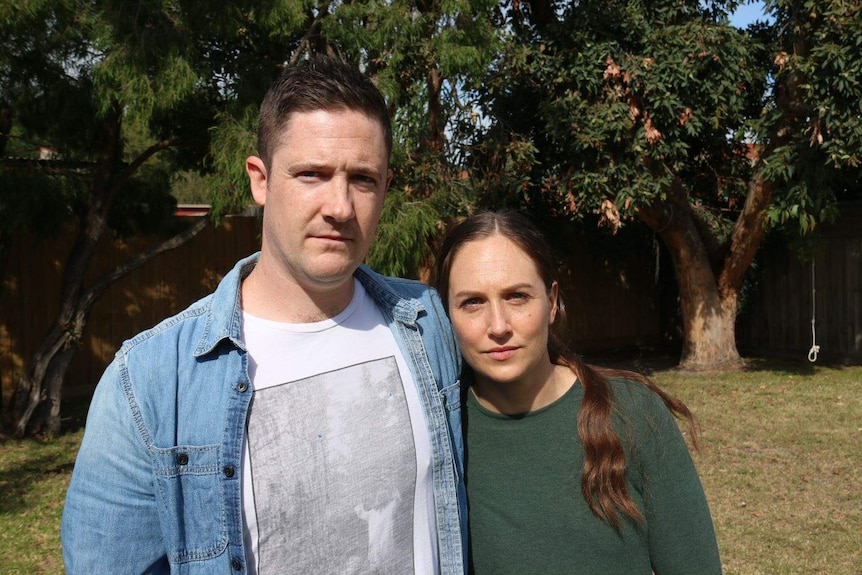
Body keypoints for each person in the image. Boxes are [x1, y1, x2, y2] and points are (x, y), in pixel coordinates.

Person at [62, 54, 467, 575]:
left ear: (385, 188)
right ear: (260, 179)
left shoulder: (427, 322)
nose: (339, 206)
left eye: (362, 179)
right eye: (311, 174)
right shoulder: (148, 383)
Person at [434, 210, 722, 575]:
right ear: (447, 314)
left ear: (551, 302)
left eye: (517, 296)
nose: (498, 326)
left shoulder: (632, 413)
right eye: (472, 302)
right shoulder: (442, 434)